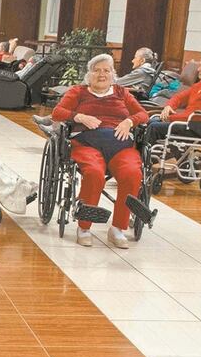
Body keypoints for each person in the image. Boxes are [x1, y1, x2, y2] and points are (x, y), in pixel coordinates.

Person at [51, 54, 149, 249]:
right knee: (94, 173)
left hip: (120, 146)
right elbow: (57, 113)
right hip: (87, 144)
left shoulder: (122, 93)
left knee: (132, 173)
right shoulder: (78, 92)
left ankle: (117, 228)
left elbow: (143, 114)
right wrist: (79, 116)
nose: (102, 74)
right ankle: (84, 227)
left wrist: (129, 121)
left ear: (113, 74)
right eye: (97, 70)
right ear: (89, 74)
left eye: (106, 70)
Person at [144, 53, 201, 163]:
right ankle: (144, 158)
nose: (198, 69)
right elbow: (180, 97)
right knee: (149, 122)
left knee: (155, 126)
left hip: (200, 127)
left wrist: (171, 117)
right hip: (189, 123)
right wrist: (169, 106)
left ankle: (145, 162)